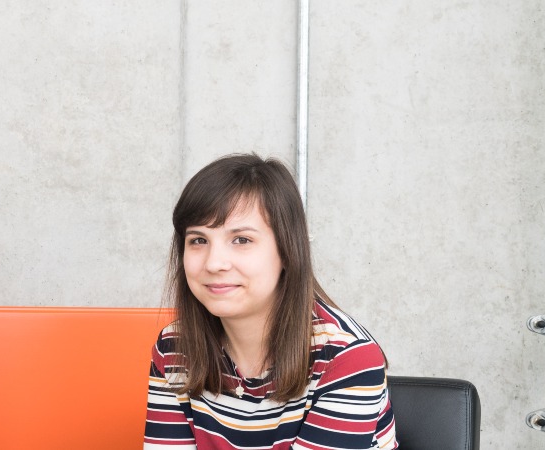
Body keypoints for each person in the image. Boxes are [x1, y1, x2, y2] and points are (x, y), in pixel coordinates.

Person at [143, 154, 396, 449]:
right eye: (198, 240)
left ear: (287, 251)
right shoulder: (175, 347)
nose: (214, 263)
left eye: (241, 240)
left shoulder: (346, 357)